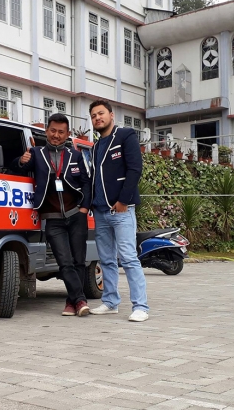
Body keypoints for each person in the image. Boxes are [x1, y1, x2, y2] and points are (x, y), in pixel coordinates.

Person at [13, 114, 92, 317]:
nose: (56, 135)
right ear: (47, 131)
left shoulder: (75, 155)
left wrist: (84, 208)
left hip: (76, 215)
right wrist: (21, 161)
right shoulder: (37, 153)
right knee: (64, 261)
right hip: (52, 219)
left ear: (67, 134)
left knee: (79, 260)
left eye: (61, 132)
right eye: (53, 131)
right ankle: (80, 300)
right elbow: (17, 168)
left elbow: (86, 182)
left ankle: (70, 302)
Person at [87, 99, 148, 322]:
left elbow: (134, 169)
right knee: (106, 260)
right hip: (101, 212)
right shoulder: (94, 148)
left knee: (129, 258)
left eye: (101, 114)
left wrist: (123, 200)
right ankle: (110, 302)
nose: (97, 118)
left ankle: (141, 306)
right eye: (93, 116)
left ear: (111, 115)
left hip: (121, 211)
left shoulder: (125, 136)